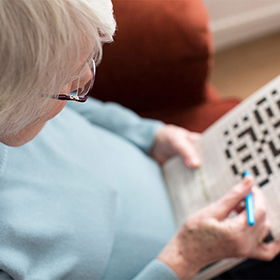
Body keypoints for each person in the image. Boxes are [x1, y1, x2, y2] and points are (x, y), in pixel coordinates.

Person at [0, 0, 279, 279]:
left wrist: (150, 135)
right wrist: (184, 258)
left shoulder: (26, 99)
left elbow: (79, 109)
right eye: (69, 79)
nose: (85, 77)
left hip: (178, 179)